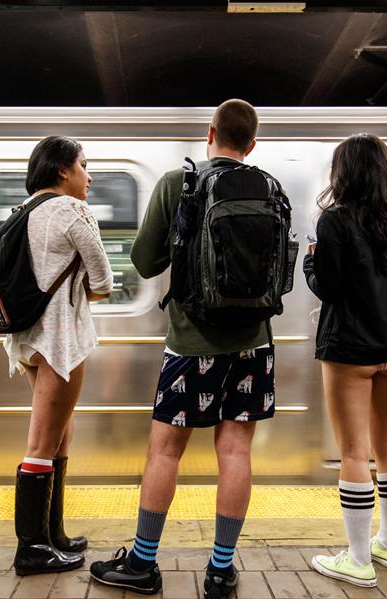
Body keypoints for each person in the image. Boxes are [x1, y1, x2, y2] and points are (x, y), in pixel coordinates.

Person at [90, 99, 277, 599]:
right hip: (254, 345)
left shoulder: (179, 182)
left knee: (165, 451)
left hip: (191, 344)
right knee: (236, 452)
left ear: (209, 132)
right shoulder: (269, 188)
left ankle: (144, 564)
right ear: (252, 144)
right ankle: (219, 571)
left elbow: (145, 263)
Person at [303, 133, 387, 588]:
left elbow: (327, 287)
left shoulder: (335, 220)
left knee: (354, 453)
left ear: (344, 172)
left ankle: (357, 558)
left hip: (349, 348)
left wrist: (311, 262)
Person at [4, 136, 113, 575]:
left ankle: (53, 535)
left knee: (58, 434)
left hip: (27, 339)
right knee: (43, 441)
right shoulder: (70, 211)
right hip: (59, 341)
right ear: (63, 170)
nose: (90, 176)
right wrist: (83, 290)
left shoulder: (20, 213)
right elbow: (103, 280)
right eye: (85, 166)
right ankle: (31, 549)